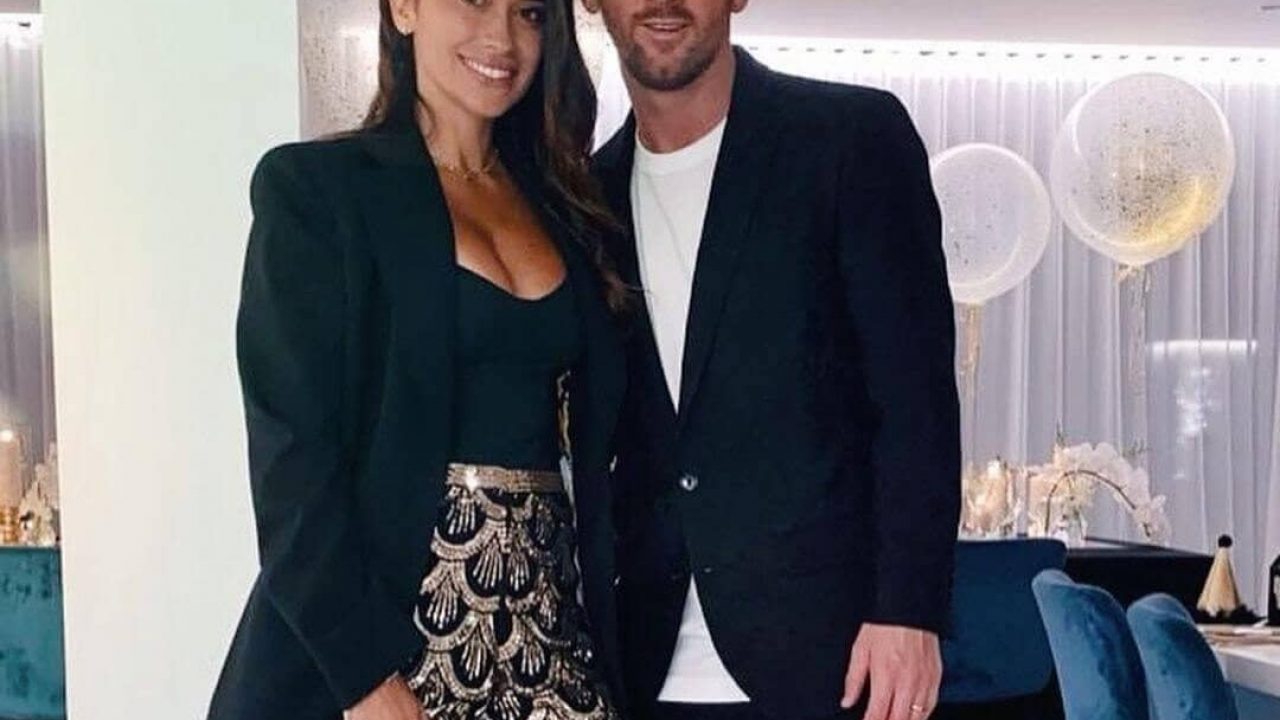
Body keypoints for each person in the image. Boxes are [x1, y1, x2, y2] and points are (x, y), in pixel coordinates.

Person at [207, 1, 628, 718]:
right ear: (403, 7)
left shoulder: (568, 205)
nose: (502, 37)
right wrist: (363, 677)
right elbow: (292, 457)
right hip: (387, 646)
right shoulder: (320, 190)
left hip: (548, 632)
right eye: (474, 1)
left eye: (528, 12)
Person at [582, 1, 962, 719]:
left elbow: (915, 402)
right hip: (640, 668)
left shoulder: (850, 139)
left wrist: (909, 609)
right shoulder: (586, 196)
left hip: (837, 665)